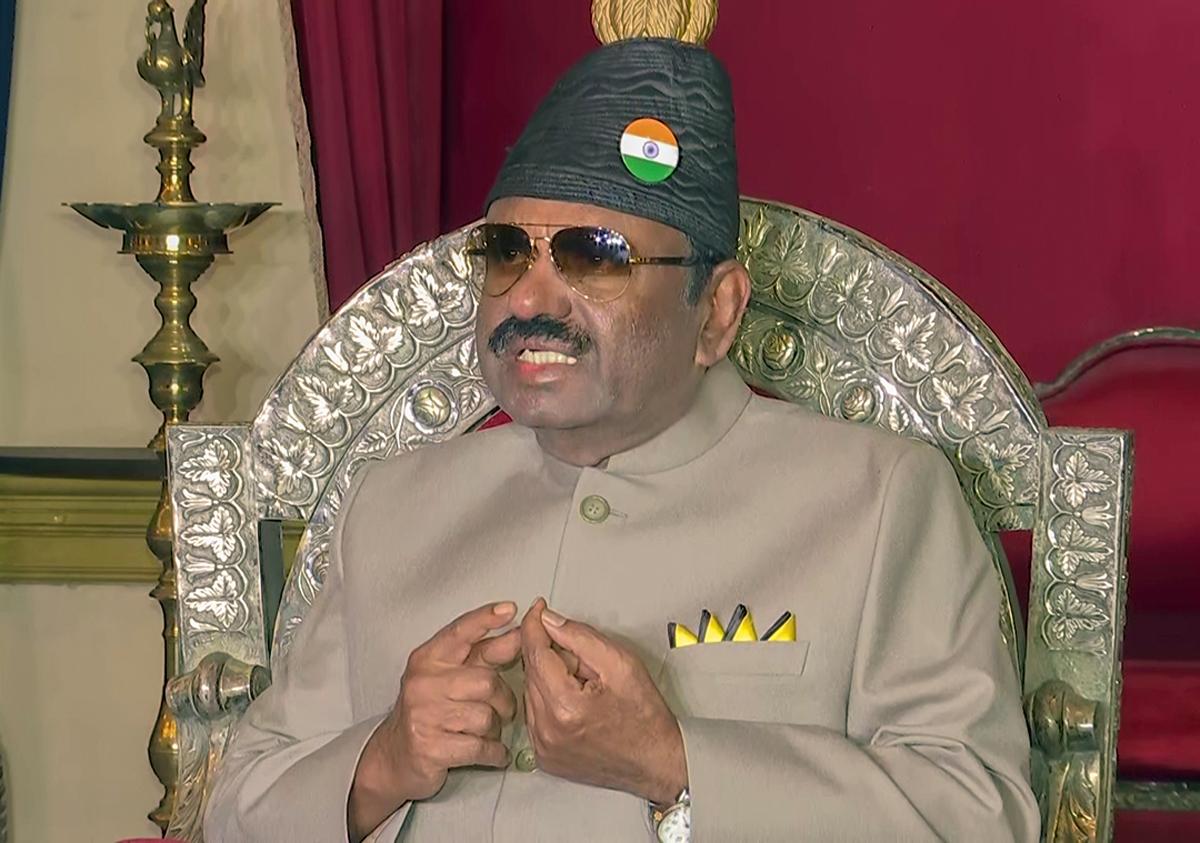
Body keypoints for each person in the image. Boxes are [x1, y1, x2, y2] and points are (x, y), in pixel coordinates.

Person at [204, 11, 1040, 843]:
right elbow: (238, 806)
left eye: (595, 255)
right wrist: (382, 763)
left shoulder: (876, 502)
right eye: (506, 252)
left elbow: (979, 817)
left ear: (716, 312)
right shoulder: (393, 506)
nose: (528, 299)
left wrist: (675, 763)